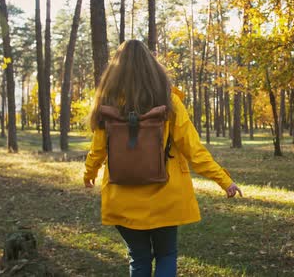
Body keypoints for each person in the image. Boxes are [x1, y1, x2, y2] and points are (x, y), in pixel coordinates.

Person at [83, 40, 243, 277]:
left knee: (138, 259)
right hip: (166, 196)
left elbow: (97, 151)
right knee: (166, 255)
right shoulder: (169, 102)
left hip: (122, 197)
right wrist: (224, 181)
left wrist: (89, 174)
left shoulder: (108, 106)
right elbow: (193, 150)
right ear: (152, 66)